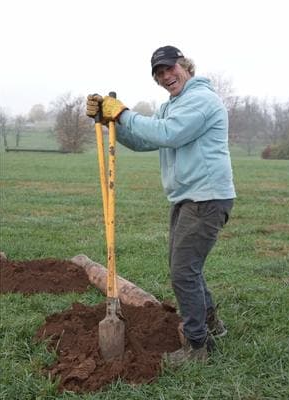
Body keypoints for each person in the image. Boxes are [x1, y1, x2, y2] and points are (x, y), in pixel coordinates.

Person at [86, 45, 236, 365]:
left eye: (170, 68)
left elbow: (167, 133)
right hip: (188, 196)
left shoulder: (201, 100)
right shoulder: (174, 105)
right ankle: (210, 324)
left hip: (206, 197)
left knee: (183, 271)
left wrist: (123, 112)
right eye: (159, 73)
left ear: (186, 66)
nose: (166, 76)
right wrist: (108, 121)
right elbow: (146, 139)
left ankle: (197, 347)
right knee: (185, 267)